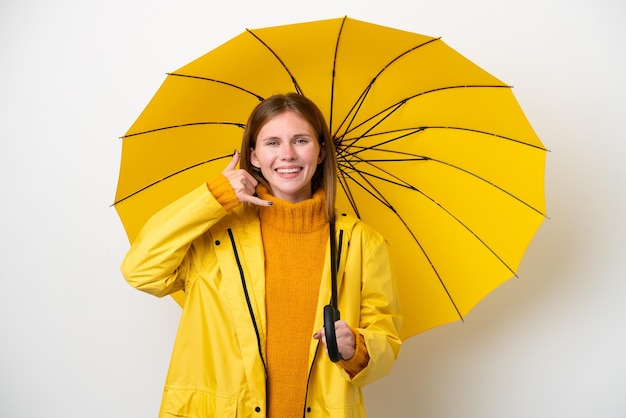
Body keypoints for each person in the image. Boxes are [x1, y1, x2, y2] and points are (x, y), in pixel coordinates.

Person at [121, 93, 402, 418]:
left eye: (300, 140)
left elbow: (386, 336)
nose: (287, 154)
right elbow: (140, 269)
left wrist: (359, 347)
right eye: (272, 142)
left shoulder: (362, 242)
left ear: (322, 151)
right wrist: (213, 197)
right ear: (253, 156)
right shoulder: (216, 234)